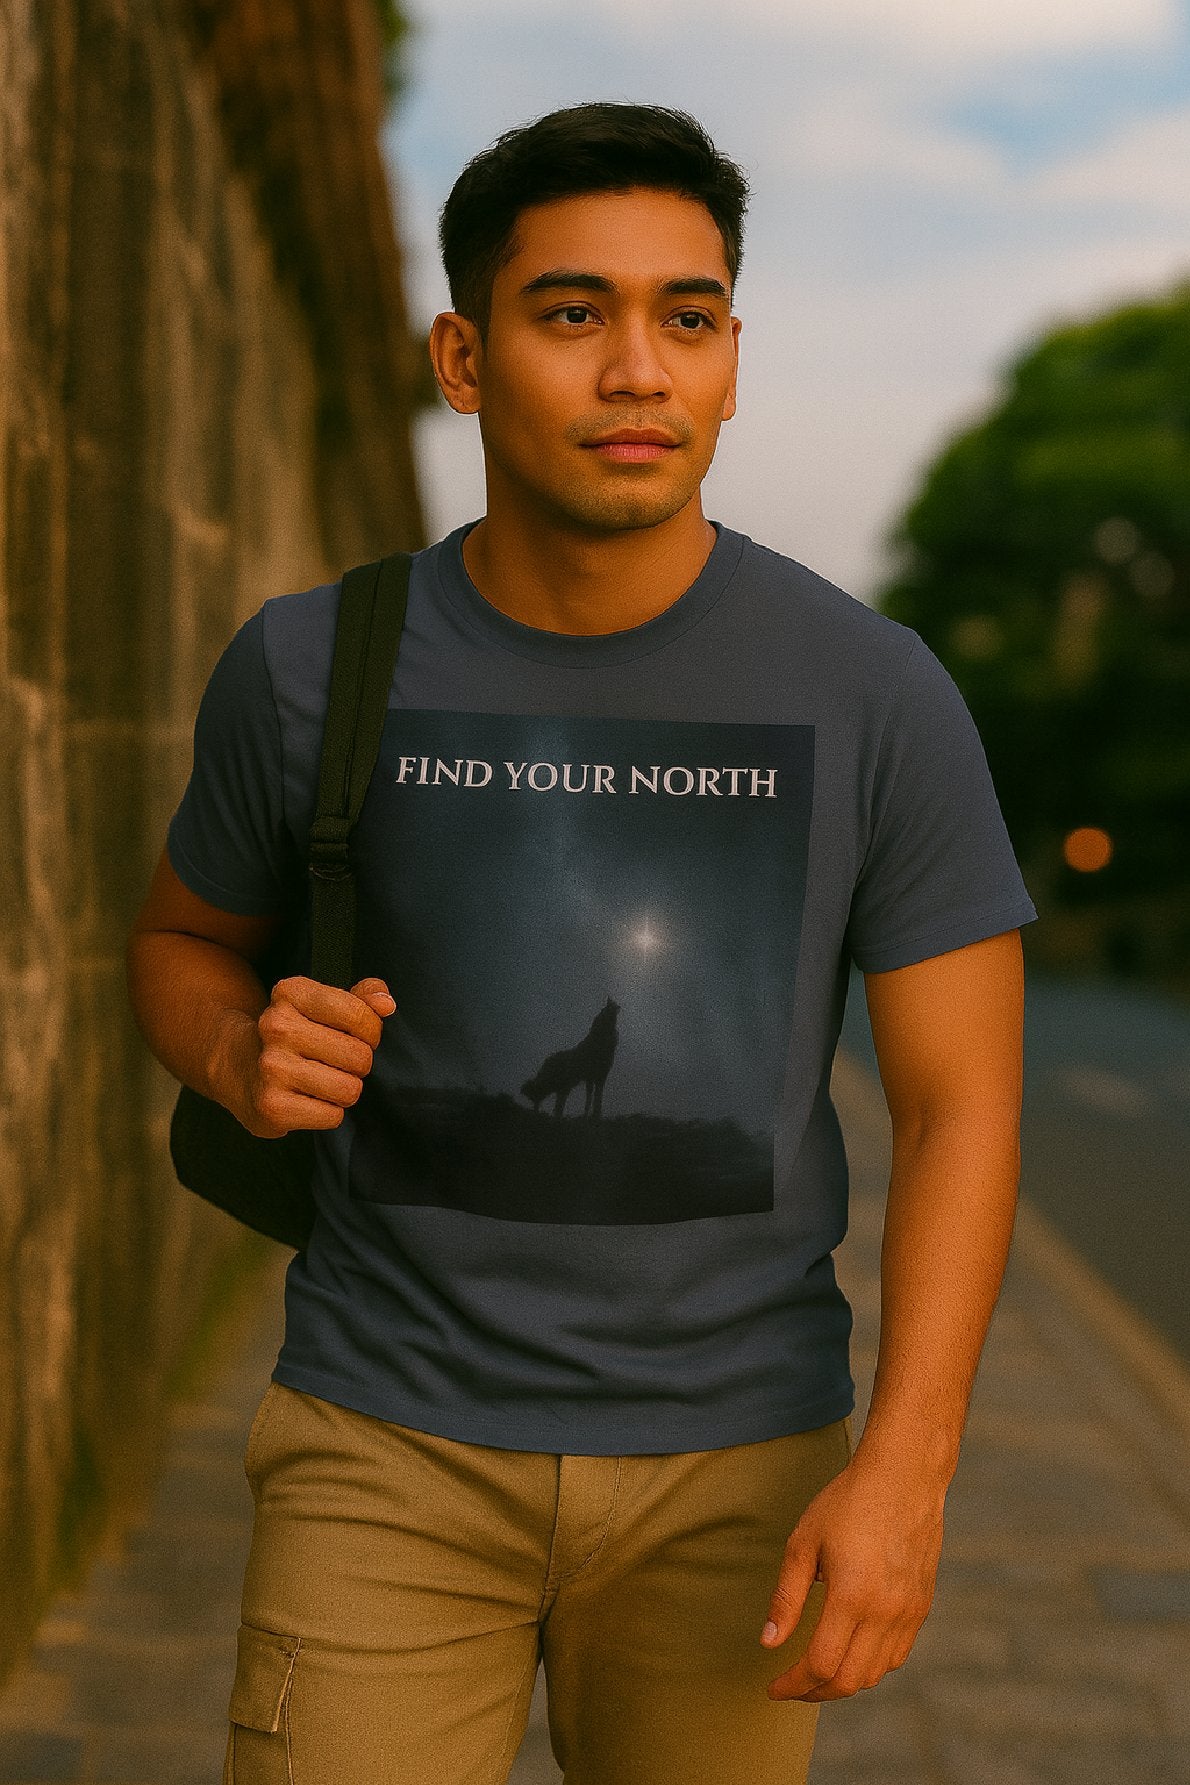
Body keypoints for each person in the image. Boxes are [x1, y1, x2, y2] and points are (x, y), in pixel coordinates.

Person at [126, 102, 1037, 1785]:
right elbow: (181, 940)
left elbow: (959, 1104)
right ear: (463, 358)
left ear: (732, 361)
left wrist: (905, 1473)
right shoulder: (311, 665)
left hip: (740, 1467)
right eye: (572, 313)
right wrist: (237, 1051)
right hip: (382, 1442)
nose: (637, 370)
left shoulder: (872, 690)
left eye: (685, 318)